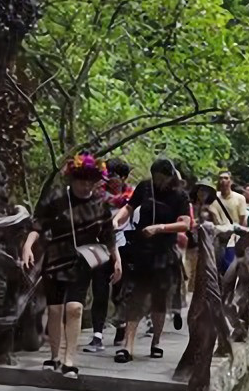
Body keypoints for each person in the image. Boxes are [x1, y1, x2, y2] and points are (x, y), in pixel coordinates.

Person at [21, 154, 121, 378]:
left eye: (90, 181)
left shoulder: (99, 205)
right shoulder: (57, 199)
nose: (85, 185)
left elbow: (108, 235)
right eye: (81, 180)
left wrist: (117, 259)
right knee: (55, 310)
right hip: (56, 258)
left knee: (74, 308)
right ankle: (54, 355)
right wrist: (28, 245)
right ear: (72, 180)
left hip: (83, 260)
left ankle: (69, 360)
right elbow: (37, 225)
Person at [113, 161, 192, 363]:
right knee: (135, 297)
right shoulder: (145, 187)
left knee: (159, 301)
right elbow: (129, 207)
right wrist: (117, 220)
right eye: (155, 177)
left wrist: (160, 228)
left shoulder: (180, 195)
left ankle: (155, 340)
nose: (159, 182)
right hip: (142, 251)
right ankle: (127, 347)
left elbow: (185, 223)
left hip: (164, 252)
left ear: (170, 176)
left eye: (162, 178)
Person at [82, 157, 133, 354]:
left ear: (123, 178)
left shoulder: (131, 198)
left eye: (114, 176)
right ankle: (97, 336)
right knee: (99, 290)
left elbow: (127, 220)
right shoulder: (97, 197)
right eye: (108, 175)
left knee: (120, 293)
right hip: (99, 248)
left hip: (124, 248)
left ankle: (121, 325)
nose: (110, 180)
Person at [205, 170, 248, 272]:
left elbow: (242, 220)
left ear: (231, 181)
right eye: (220, 178)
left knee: (230, 268)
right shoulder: (212, 198)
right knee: (217, 267)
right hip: (217, 237)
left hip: (233, 237)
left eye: (226, 178)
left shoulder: (239, 198)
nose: (223, 181)